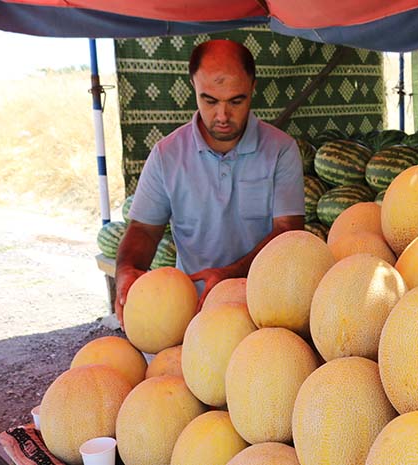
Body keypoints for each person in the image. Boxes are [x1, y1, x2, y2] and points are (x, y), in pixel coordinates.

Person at [114, 39, 305, 326]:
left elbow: (288, 232)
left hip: (263, 309)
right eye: (210, 100)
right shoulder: (167, 155)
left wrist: (230, 275)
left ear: (253, 86)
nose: (222, 116)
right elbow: (143, 229)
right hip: (189, 312)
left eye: (236, 100)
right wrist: (127, 269)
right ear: (193, 86)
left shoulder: (282, 150)